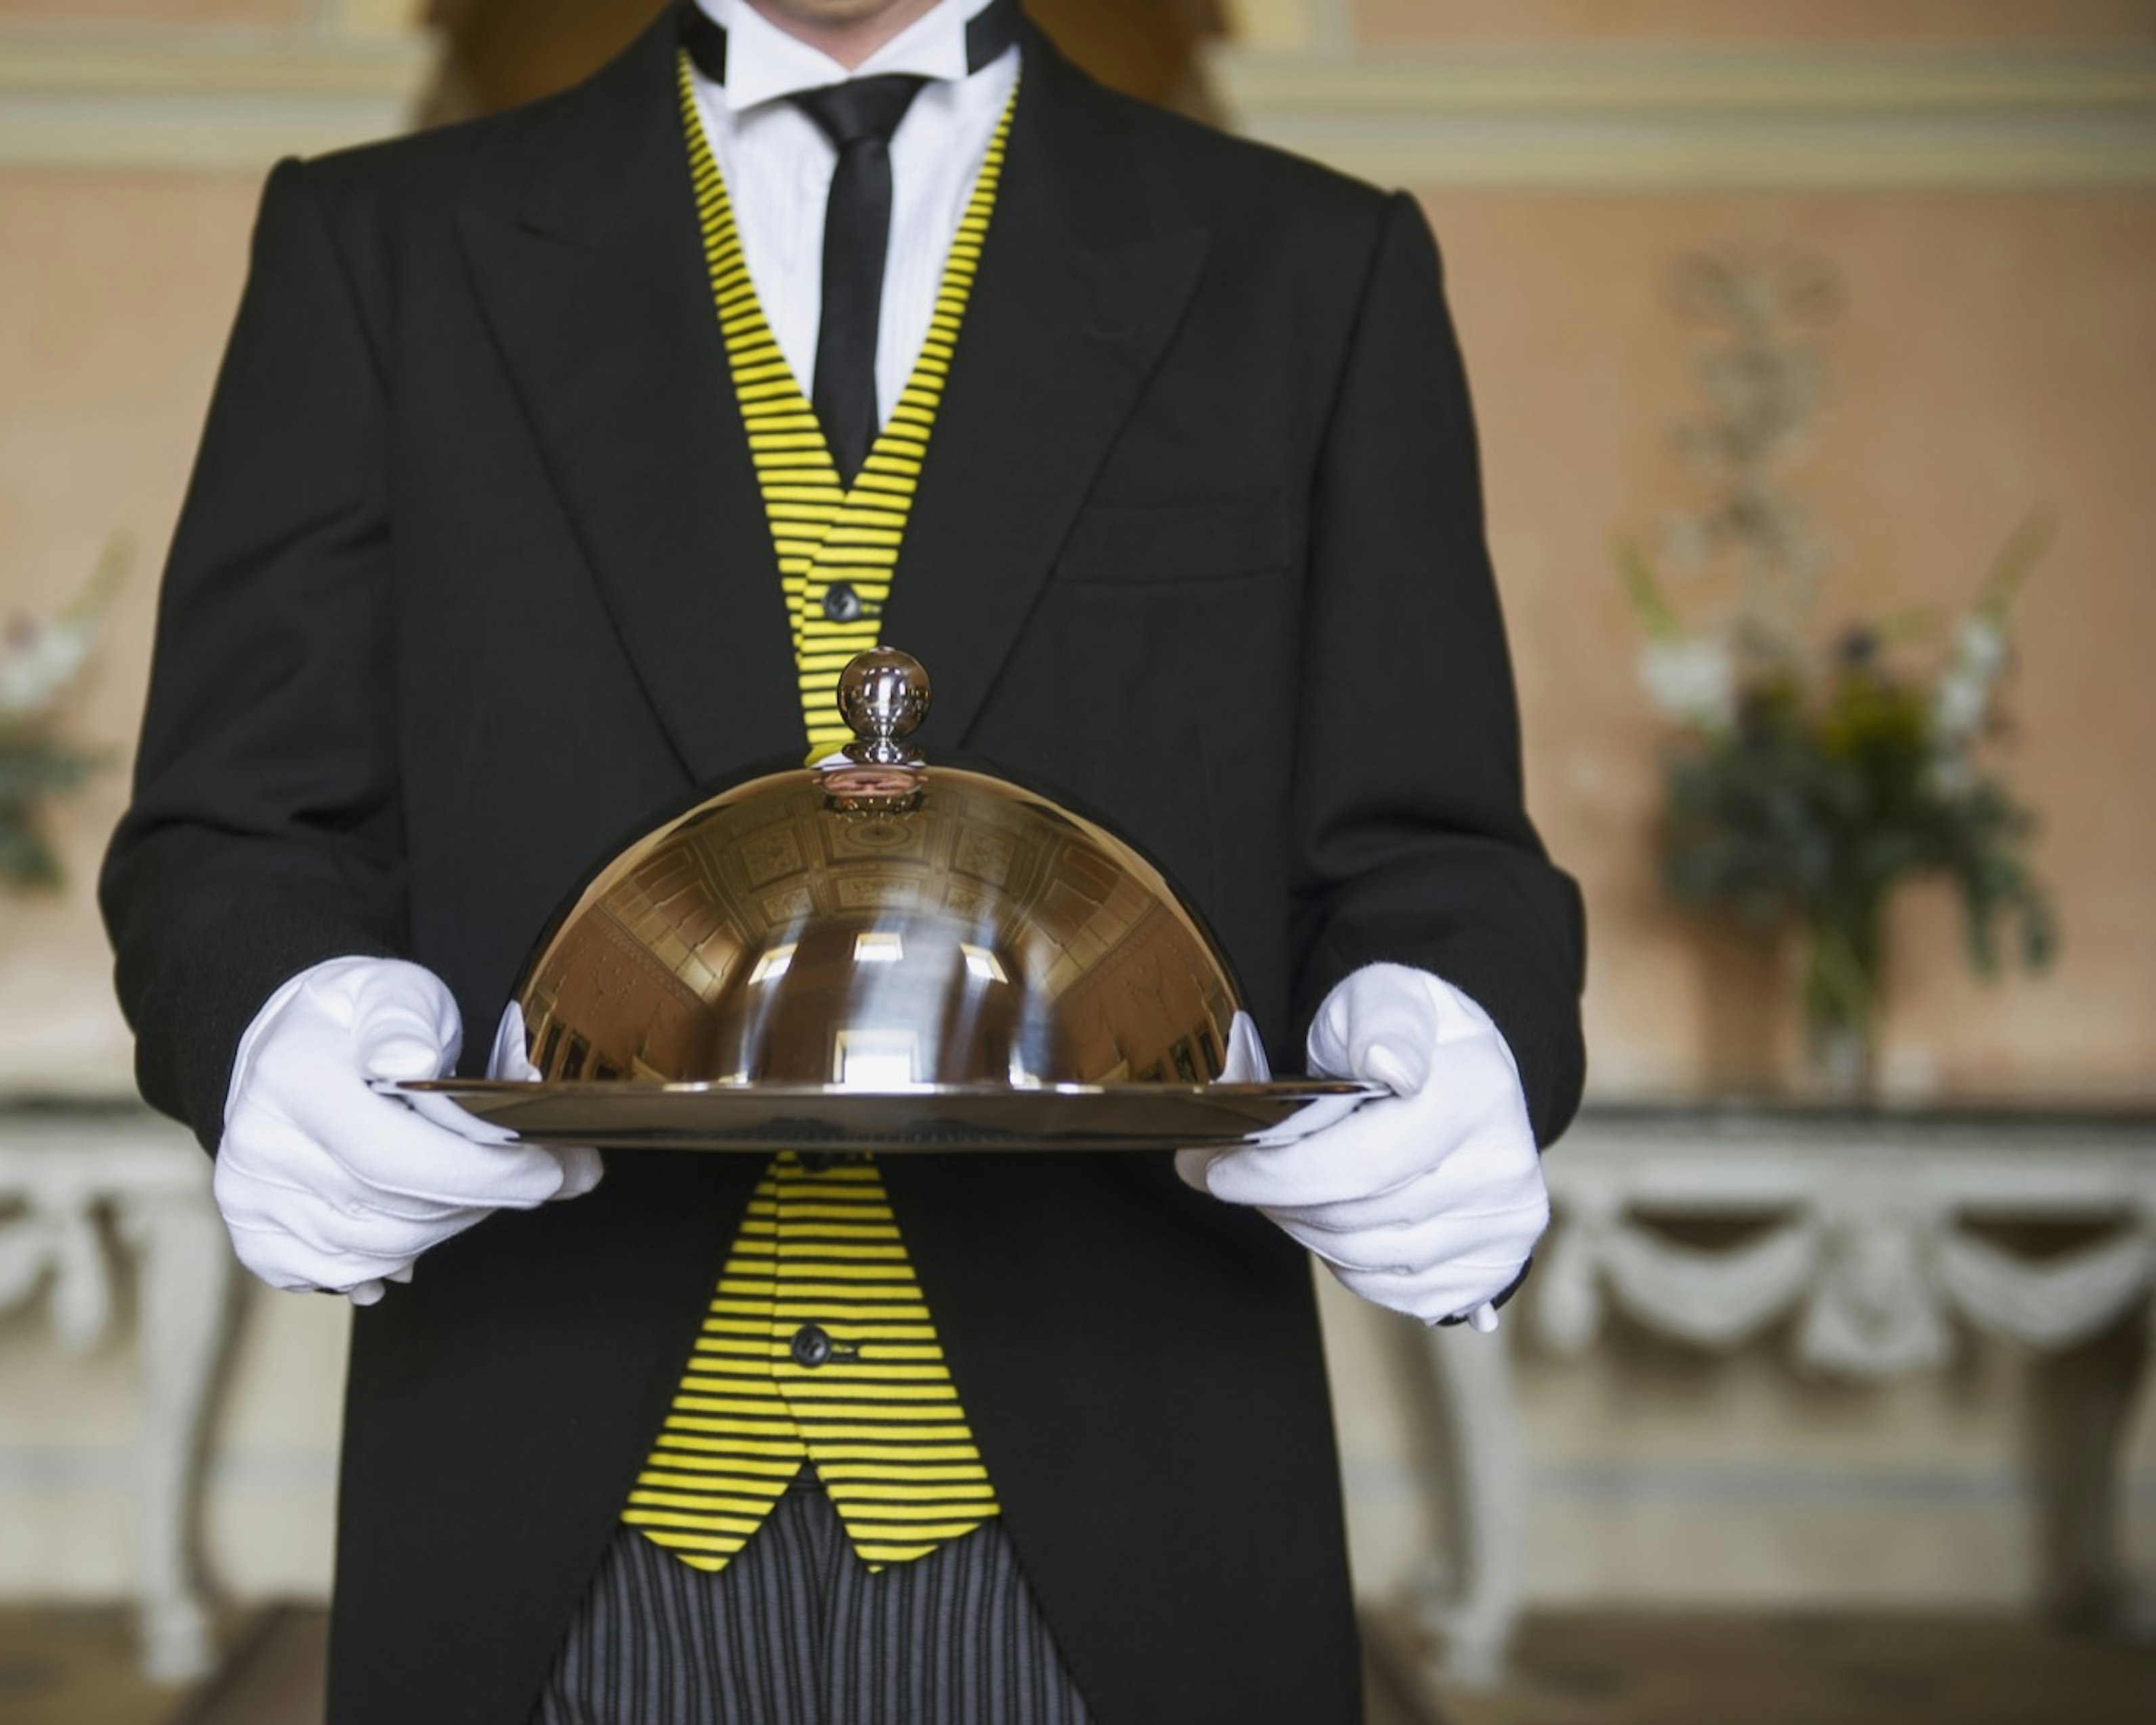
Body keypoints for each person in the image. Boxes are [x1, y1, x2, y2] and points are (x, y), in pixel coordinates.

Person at [99, 1, 1585, 1720]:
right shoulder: (375, 245)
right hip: (555, 1488)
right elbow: (233, 828)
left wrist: (1448, 1017)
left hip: (1123, 1484)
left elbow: (1429, 841)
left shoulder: (1317, 264)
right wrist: (282, 1013)